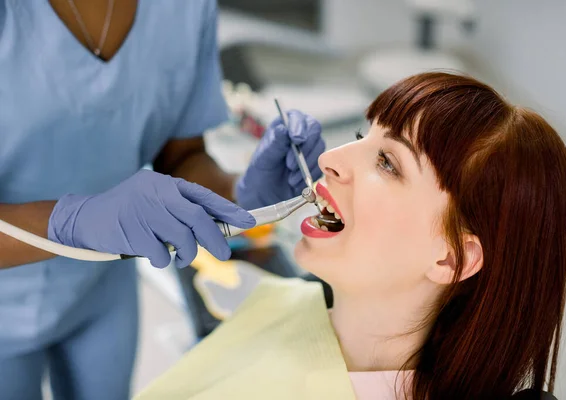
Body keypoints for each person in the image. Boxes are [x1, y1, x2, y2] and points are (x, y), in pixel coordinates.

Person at [136, 72, 566, 400]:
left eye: (388, 162)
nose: (330, 158)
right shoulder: (279, 302)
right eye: (360, 136)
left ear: (451, 259)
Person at [0, 1, 324, 399]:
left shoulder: (183, 9)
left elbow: (181, 156)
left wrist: (243, 193)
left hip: (102, 289)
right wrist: (71, 222)